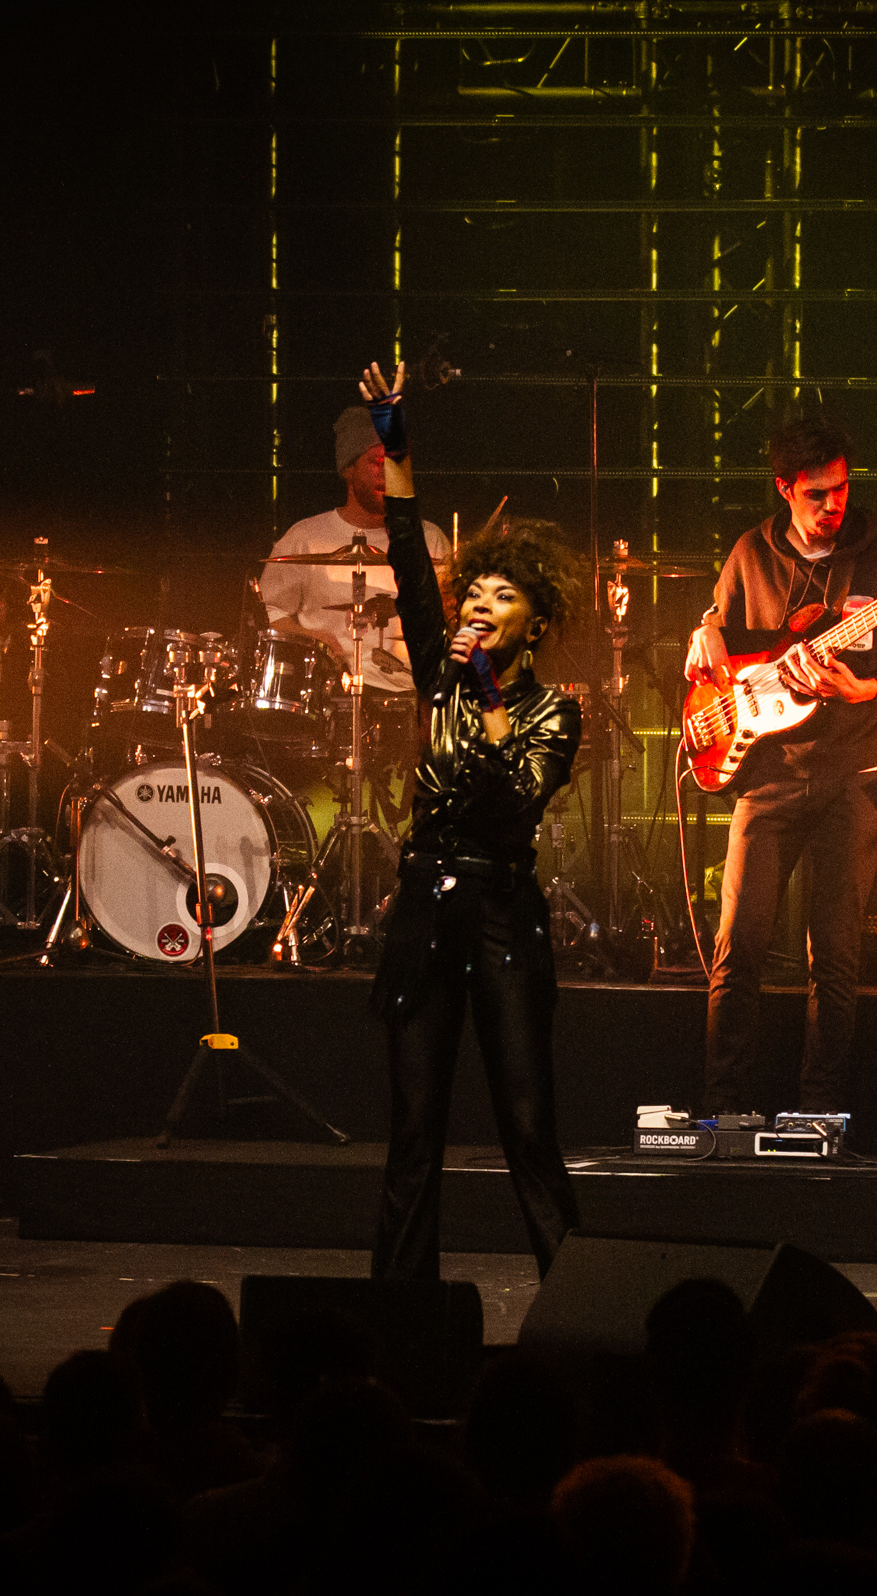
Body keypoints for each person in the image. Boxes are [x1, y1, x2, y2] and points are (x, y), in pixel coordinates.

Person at [355, 361, 583, 1279]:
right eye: (475, 594)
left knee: (527, 1126)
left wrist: (484, 686)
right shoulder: (438, 674)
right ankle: (398, 1315)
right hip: (424, 906)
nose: (480, 604)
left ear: (534, 625)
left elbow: (513, 797)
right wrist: (397, 444)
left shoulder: (551, 709)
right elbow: (409, 553)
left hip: (499, 916)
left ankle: (576, 1302)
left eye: (503, 598)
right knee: (413, 1130)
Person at [684, 412, 877, 1124]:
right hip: (768, 772)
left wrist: (872, 687)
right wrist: (701, 633)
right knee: (737, 945)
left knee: (832, 954)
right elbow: (718, 635)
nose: (833, 506)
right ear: (783, 488)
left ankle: (819, 1113)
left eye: (841, 490)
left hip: (855, 776)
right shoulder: (750, 552)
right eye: (816, 495)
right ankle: (720, 1111)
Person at [263, 403, 454, 695]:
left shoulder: (429, 540)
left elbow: (452, 624)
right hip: (330, 696)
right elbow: (271, 611)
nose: (389, 474)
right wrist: (317, 639)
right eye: (377, 462)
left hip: (414, 700)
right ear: (348, 469)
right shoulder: (305, 537)